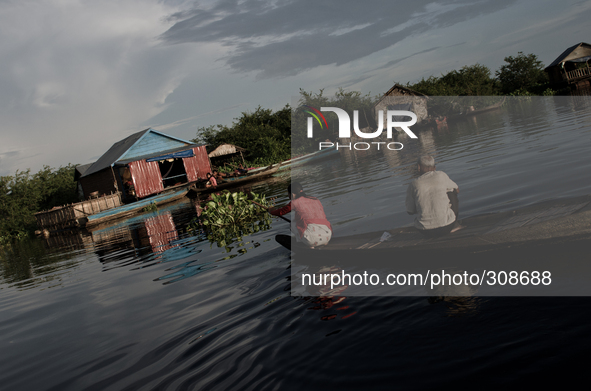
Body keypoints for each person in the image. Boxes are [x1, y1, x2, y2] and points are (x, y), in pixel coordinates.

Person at [406, 155, 462, 238]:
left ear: (418, 167)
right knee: (451, 190)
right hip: (447, 226)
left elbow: (410, 211)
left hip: (425, 230)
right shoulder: (441, 175)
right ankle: (455, 225)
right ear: (434, 168)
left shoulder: (413, 184)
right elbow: (457, 190)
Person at [270, 182, 332, 247]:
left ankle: (307, 245)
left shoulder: (294, 202)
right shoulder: (315, 199)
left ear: (292, 194)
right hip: (328, 236)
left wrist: (271, 211)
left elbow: (280, 212)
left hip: (312, 240)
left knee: (293, 222)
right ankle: (324, 243)